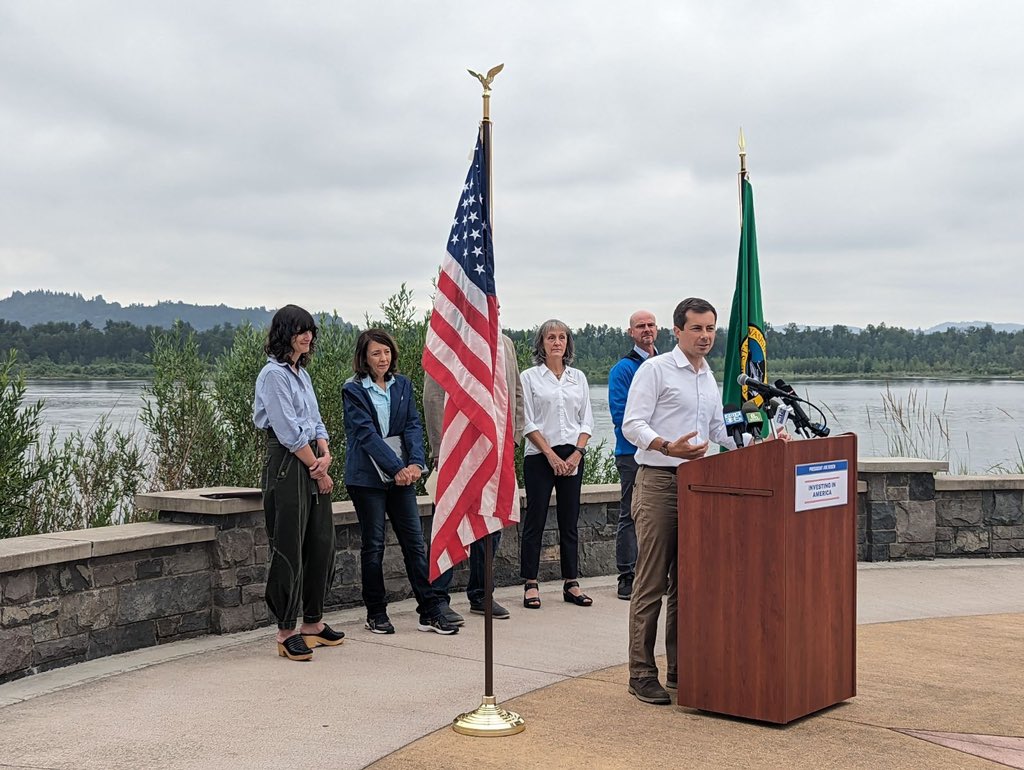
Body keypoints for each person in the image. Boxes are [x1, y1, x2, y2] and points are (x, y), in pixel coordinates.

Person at [621, 297, 738, 704]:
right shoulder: (656, 370)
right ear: (678, 331)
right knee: (651, 582)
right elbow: (632, 423)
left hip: (698, 484)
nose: (705, 337)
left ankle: (681, 669)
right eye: (697, 329)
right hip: (659, 482)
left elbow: (718, 430)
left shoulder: (707, 376)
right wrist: (667, 446)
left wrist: (761, 440)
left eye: (710, 329)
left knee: (686, 585)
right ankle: (641, 673)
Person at [342, 329, 458, 636]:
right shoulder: (353, 390)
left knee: (415, 545)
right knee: (374, 546)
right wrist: (397, 468)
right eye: (376, 353)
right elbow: (365, 434)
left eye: (387, 352)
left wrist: (415, 463)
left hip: (402, 476)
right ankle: (376, 613)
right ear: (364, 357)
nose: (383, 358)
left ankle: (430, 611)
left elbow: (412, 426)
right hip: (367, 479)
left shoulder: (403, 384)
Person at [253, 304, 344, 662]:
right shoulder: (272, 375)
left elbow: (315, 420)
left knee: (322, 541)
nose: (308, 336)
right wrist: (318, 468)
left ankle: (313, 623)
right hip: (288, 465)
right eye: (301, 330)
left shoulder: (300, 374)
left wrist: (326, 453)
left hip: (310, 457)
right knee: (288, 543)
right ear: (285, 334)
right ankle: (286, 629)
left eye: (311, 331)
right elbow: (288, 431)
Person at [424, 333, 525, 624]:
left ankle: (482, 594)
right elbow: (433, 396)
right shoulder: (454, 338)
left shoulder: (505, 344)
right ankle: (438, 599)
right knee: (448, 521)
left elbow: (515, 393)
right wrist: (439, 450)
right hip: (457, 454)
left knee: (490, 525)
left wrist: (512, 441)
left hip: (495, 452)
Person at [519, 319, 594, 609]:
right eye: (551, 337)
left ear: (568, 343)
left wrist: (577, 454)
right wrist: (550, 454)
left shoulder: (579, 377)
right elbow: (526, 420)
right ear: (541, 343)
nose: (557, 342)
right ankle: (530, 583)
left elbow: (586, 419)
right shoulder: (529, 377)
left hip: (572, 453)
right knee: (535, 518)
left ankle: (571, 582)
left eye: (562, 337)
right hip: (540, 454)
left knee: (569, 519)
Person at [608, 310, 659, 601]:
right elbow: (620, 415)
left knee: (658, 517)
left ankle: (655, 573)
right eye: (640, 326)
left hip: (666, 454)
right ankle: (626, 576)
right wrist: (655, 435)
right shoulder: (623, 369)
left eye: (651, 325)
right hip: (632, 453)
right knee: (630, 514)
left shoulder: (666, 365)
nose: (646, 330)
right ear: (631, 332)